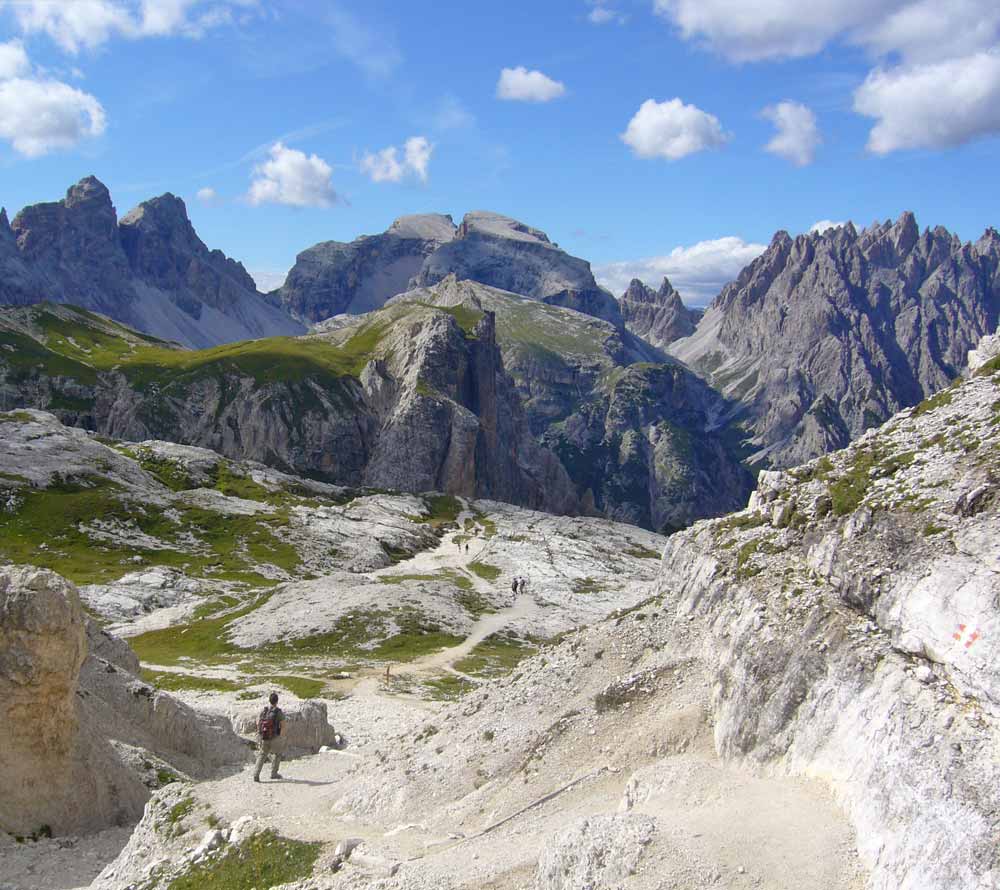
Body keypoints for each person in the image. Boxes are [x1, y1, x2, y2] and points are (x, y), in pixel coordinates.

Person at [253, 691, 285, 782]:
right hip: (274, 737)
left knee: (262, 755)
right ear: (277, 701)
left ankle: (256, 774)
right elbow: (283, 725)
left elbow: (258, 722)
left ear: (269, 701)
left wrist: (260, 733)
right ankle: (274, 773)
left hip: (264, 736)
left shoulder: (264, 710)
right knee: (277, 754)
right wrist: (281, 737)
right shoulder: (278, 712)